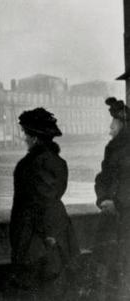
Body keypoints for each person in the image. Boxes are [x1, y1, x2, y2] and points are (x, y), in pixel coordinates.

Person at [10, 108, 79, 299]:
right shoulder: (57, 161)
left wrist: (49, 236)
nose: (25, 138)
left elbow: (46, 201)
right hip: (53, 231)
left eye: (26, 134)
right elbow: (54, 195)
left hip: (39, 237)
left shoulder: (36, 163)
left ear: (35, 138)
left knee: (41, 287)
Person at [94, 97, 130, 299]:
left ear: (123, 126)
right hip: (112, 217)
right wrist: (103, 200)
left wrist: (118, 203)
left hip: (126, 218)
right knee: (109, 271)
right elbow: (102, 178)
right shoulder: (112, 149)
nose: (109, 130)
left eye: (113, 125)